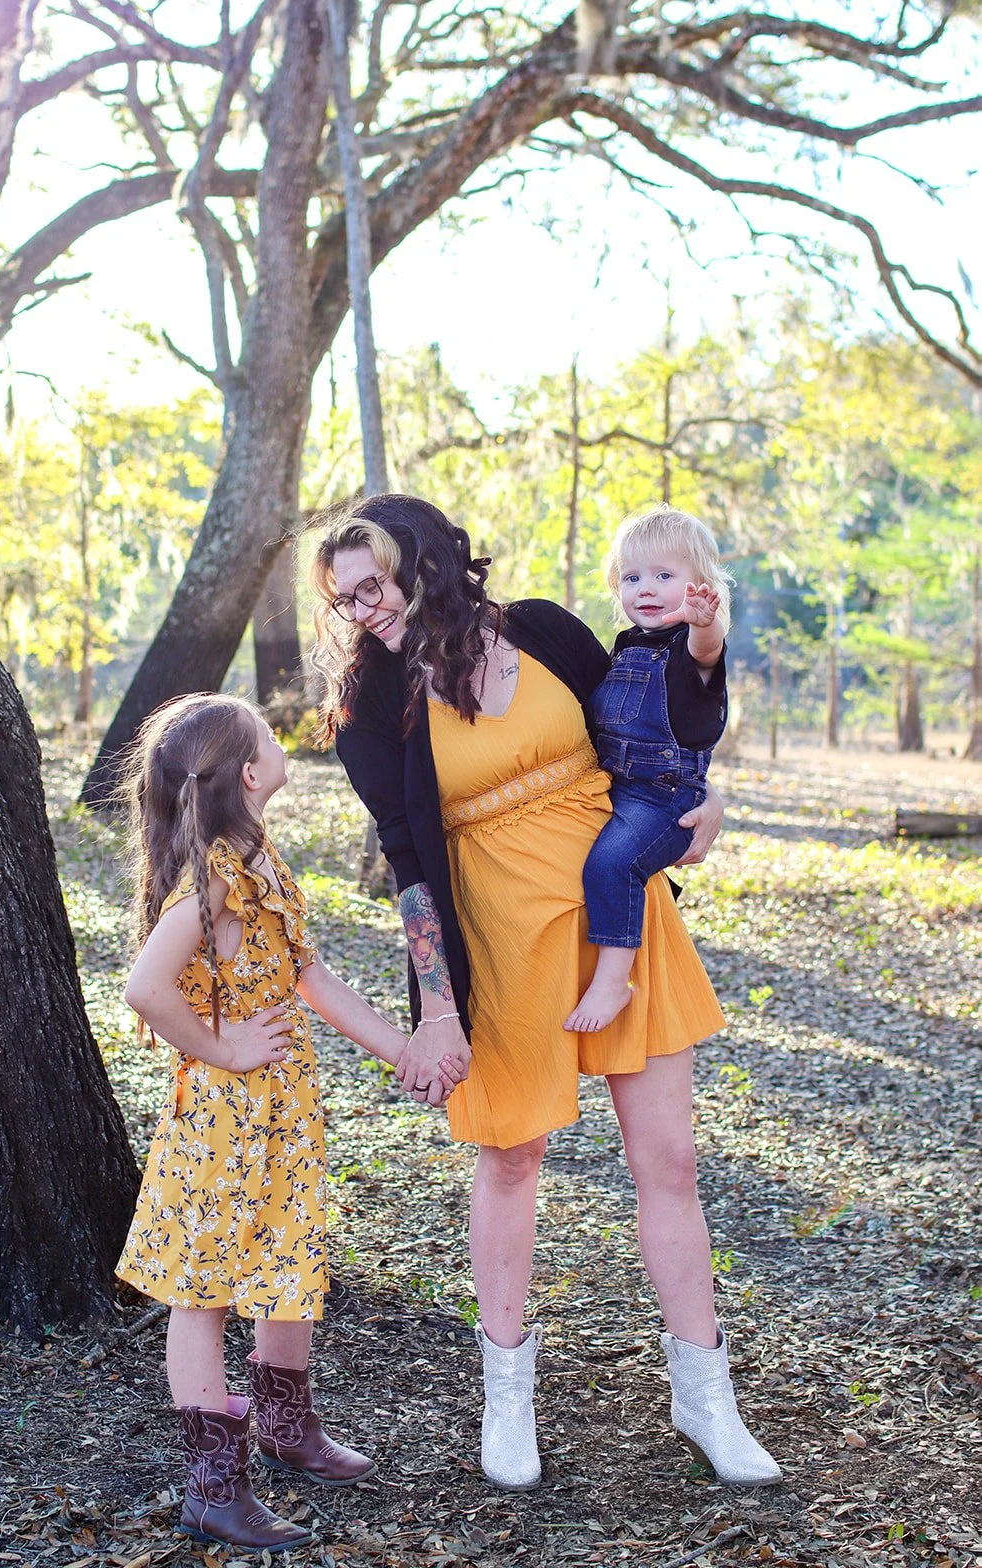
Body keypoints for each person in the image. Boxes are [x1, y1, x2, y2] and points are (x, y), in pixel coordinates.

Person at [310, 495, 781, 1493]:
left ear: (426, 562)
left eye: (374, 585)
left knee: (669, 1159)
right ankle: (507, 1394)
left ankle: (704, 1397)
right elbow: (405, 863)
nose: (361, 608)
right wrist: (435, 1004)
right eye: (343, 597)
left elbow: (650, 723)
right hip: (496, 932)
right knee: (512, 1158)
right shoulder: (367, 705)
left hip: (618, 912)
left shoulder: (542, 629)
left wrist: (704, 795)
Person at [116, 693, 455, 1554]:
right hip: (224, 1124)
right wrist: (221, 1048)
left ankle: (285, 1427)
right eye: (268, 734)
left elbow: (314, 980)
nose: (279, 739)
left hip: (281, 1119)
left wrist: (406, 1051)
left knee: (290, 1262)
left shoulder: (257, 860)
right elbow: (145, 987)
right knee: (205, 1294)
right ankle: (213, 1490)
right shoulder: (215, 881)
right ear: (251, 771)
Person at [565, 507, 730, 1034]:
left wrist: (706, 622)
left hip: (664, 796)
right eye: (633, 578)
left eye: (665, 576)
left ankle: (615, 980)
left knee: (611, 864)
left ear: (699, 586)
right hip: (617, 786)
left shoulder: (689, 646)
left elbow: (708, 651)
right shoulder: (627, 647)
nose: (646, 589)